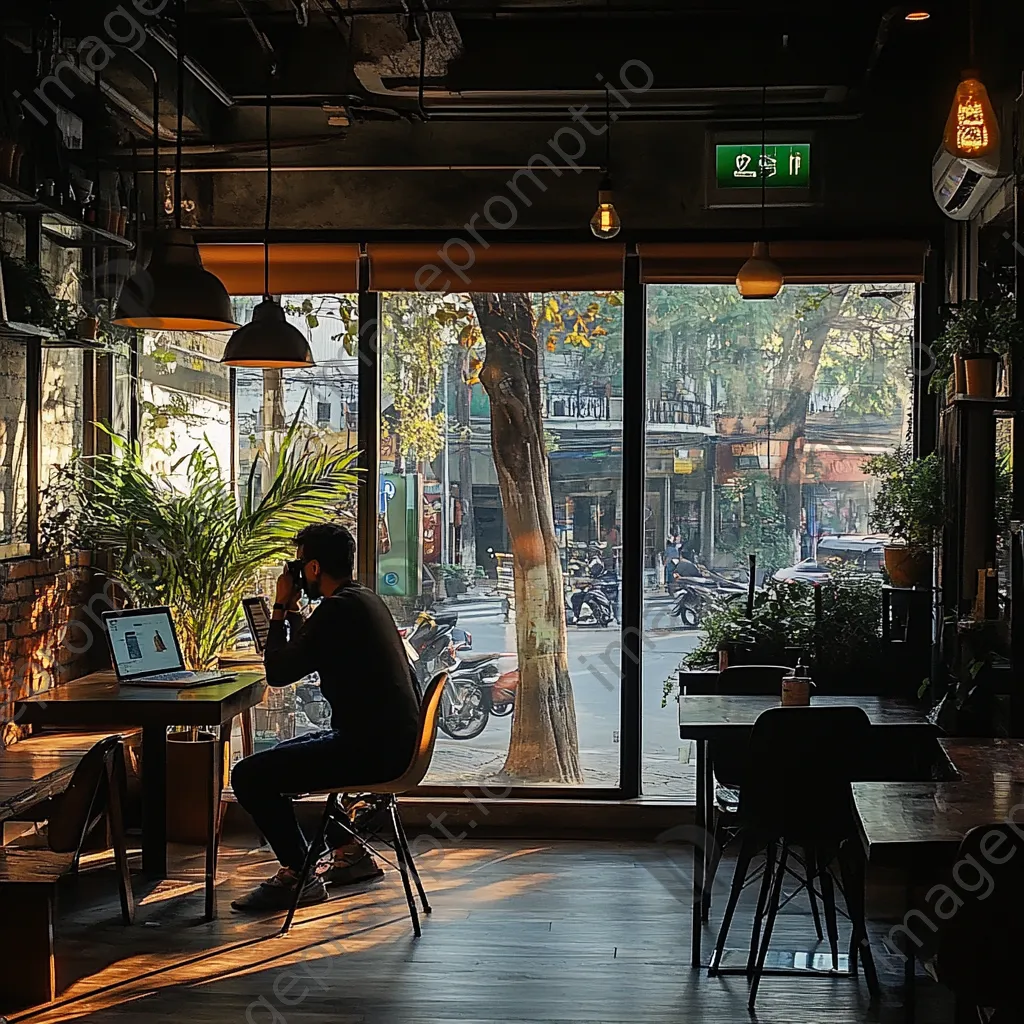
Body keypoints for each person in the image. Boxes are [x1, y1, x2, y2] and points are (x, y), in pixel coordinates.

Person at [231, 524, 420, 913]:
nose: (296, 573)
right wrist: (296, 613)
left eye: (299, 565)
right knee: (286, 757)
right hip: (393, 744)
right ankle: (350, 856)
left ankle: (300, 874)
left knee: (249, 776)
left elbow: (280, 673)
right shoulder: (362, 599)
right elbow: (310, 649)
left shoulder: (336, 610)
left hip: (370, 751)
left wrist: (281, 607)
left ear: (313, 568)